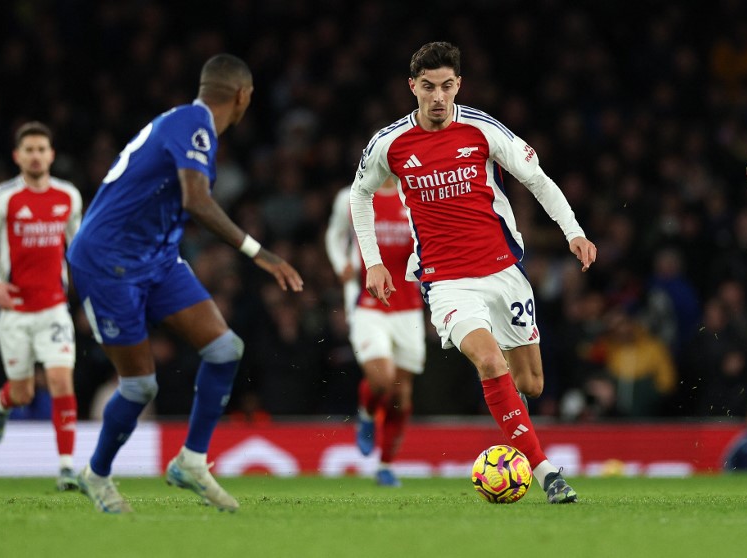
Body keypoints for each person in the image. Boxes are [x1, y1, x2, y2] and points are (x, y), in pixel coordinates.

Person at [350, 42, 597, 504]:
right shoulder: (389, 143)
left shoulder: (483, 130)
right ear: (412, 88)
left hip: (504, 273)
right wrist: (375, 262)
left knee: (531, 384)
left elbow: (537, 179)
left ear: (458, 84)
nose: (438, 97)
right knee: (489, 361)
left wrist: (574, 232)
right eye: (428, 87)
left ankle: (513, 428)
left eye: (446, 86)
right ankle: (547, 475)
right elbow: (358, 196)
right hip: (446, 281)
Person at [66, 54, 303, 513]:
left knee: (224, 349)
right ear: (243, 96)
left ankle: (191, 461)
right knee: (140, 386)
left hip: (156, 256)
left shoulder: (185, 124)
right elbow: (196, 200)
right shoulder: (195, 125)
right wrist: (261, 253)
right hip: (109, 260)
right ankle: (96, 475)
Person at [0, 121, 83, 491]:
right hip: (15, 311)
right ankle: (1, 406)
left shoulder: (69, 197)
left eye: (41, 149)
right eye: (28, 150)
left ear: (52, 155)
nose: (35, 156)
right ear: (17, 156)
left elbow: (76, 247)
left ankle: (66, 467)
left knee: (61, 380)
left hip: (53, 308)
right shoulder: (4, 197)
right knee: (23, 393)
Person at [325, 178, 426, 487]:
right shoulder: (352, 195)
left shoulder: (414, 195)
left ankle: (386, 466)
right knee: (382, 380)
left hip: (408, 306)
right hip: (368, 304)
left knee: (401, 394)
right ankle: (367, 413)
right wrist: (341, 262)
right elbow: (334, 234)